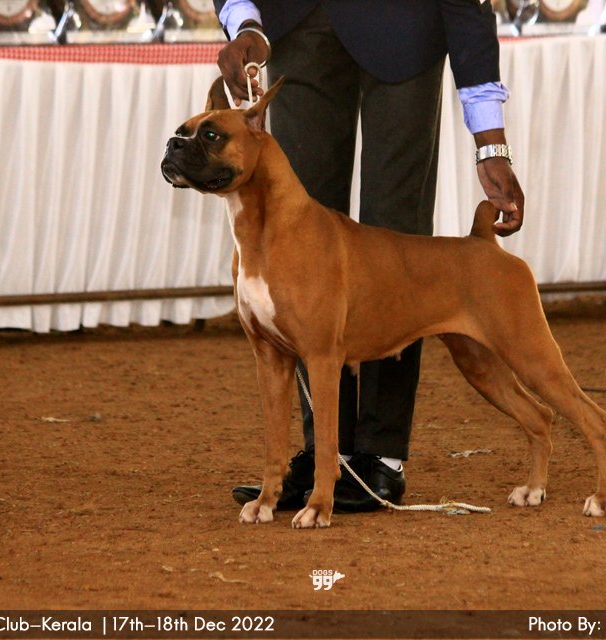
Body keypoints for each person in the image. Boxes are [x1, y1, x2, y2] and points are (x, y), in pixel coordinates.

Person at [213, 0, 525, 512]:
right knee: (298, 252)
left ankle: (382, 454)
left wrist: (490, 143)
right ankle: (325, 456)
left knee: (397, 246)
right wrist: (245, 20)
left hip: (405, 27)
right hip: (297, 25)